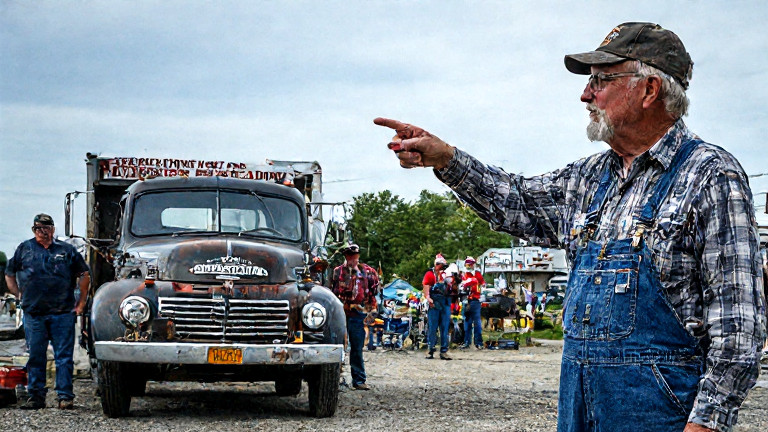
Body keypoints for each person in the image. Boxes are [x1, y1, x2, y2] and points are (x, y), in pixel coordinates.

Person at [374, 22, 766, 432]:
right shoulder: (586, 179)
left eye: (601, 80)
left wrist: (706, 424)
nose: (586, 94)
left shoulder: (711, 176)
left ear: (650, 90)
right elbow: (515, 200)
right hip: (579, 414)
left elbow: (739, 329)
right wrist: (446, 159)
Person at [4, 214, 90, 410]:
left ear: (52, 229)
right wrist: (17, 294)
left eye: (46, 227)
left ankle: (65, 397)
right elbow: (9, 273)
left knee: (64, 356)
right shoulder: (24, 249)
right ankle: (35, 397)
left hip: (62, 312)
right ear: (33, 230)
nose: (42, 231)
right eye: (38, 228)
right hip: (34, 313)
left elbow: (84, 274)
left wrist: (81, 303)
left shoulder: (67, 250)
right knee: (35, 355)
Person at [329, 243, 379, 390]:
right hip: (341, 314)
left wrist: (372, 311)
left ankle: (359, 380)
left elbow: (373, 292)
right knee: (338, 346)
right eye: (351, 257)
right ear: (346, 257)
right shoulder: (337, 272)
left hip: (359, 313)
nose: (354, 260)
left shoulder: (368, 271)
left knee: (357, 347)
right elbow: (331, 293)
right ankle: (335, 379)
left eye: (356, 257)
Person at [422, 254, 452, 360]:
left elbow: (452, 288)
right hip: (434, 302)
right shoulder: (430, 274)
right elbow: (426, 287)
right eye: (441, 265)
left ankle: (444, 351)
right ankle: (430, 350)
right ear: (437, 265)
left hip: (445, 302)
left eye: (444, 266)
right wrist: (428, 298)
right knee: (432, 327)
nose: (443, 267)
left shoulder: (446, 275)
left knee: (444, 328)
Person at [460, 256, 485, 349]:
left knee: (476, 322)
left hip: (475, 300)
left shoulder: (477, 274)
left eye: (470, 264)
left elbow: (483, 284)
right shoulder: (463, 274)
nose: (469, 265)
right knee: (467, 322)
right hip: (466, 300)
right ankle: (467, 342)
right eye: (468, 264)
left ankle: (478, 342)